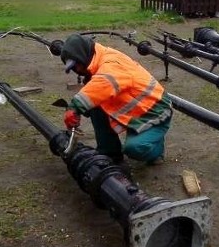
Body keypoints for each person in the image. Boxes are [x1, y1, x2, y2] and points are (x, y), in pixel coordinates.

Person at [60, 33, 173, 165]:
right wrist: (81, 109)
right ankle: (109, 153)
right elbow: (96, 92)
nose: (76, 69)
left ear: (83, 56)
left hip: (154, 111)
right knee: (94, 105)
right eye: (73, 68)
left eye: (76, 65)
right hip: (136, 112)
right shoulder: (96, 62)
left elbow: (104, 82)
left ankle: (157, 150)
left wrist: (75, 106)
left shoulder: (111, 62)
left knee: (134, 148)